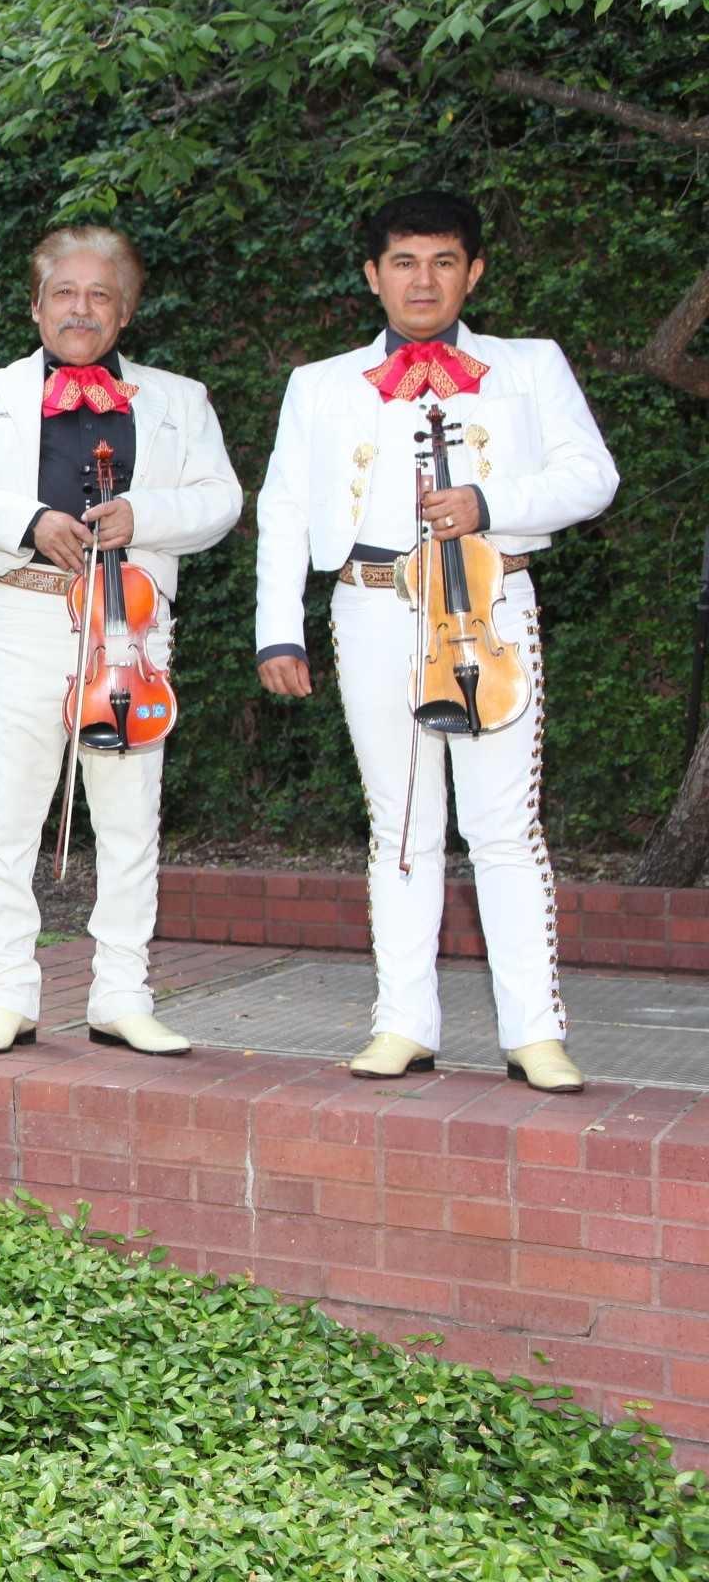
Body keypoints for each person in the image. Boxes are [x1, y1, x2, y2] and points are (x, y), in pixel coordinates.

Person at [255, 192, 617, 1091]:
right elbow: (286, 509)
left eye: (444, 261)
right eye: (405, 263)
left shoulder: (529, 365)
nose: (425, 280)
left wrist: (492, 506)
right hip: (370, 604)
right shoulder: (321, 381)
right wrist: (277, 629)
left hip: (492, 604)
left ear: (475, 271)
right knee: (401, 824)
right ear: (373, 275)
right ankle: (403, 1023)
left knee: (504, 827)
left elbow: (592, 476)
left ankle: (534, 1032)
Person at [0, 227, 242, 1055]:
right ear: (37, 304)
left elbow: (221, 499)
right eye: (64, 292)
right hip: (26, 612)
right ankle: (7, 993)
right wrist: (28, 522)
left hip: (129, 622)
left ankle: (122, 993)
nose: (80, 309)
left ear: (125, 312)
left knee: (131, 815)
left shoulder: (179, 397)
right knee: (12, 811)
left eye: (101, 295)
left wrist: (148, 515)